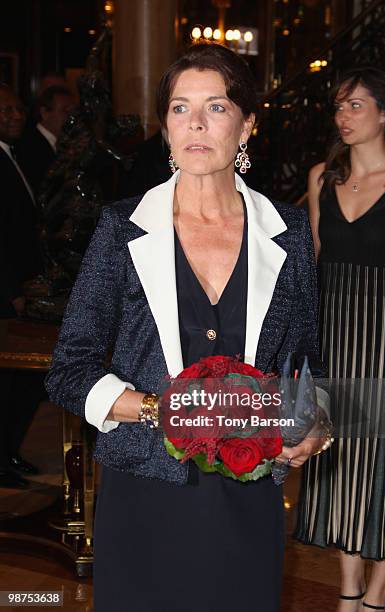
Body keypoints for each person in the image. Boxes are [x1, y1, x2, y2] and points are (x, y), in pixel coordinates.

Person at [45, 43, 327, 612]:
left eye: (216, 107)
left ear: (247, 125)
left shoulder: (289, 233)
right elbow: (68, 370)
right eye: (180, 108)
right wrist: (157, 409)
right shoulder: (122, 230)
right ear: (166, 127)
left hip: (248, 493)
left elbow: (303, 365)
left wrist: (312, 421)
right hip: (145, 490)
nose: (196, 123)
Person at [295, 67, 385, 611]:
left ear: (384, 114)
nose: (343, 116)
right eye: (339, 107)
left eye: (356, 106)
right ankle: (347, 593)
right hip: (335, 342)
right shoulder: (322, 179)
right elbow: (315, 267)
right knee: (338, 462)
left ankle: (377, 597)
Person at [0, 83, 44, 488]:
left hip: (24, 287)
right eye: (6, 110)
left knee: (21, 383)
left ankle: (8, 452)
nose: (16, 115)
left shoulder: (15, 156)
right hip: (5, 293)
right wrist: (10, 288)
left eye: (18, 109)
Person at [16, 85, 74, 196]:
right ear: (45, 113)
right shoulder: (30, 146)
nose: (71, 117)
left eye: (73, 112)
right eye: (65, 110)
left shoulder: (64, 144)